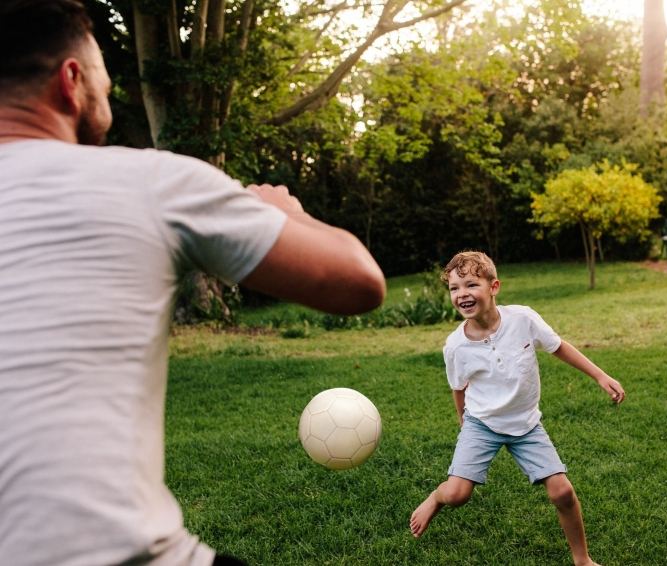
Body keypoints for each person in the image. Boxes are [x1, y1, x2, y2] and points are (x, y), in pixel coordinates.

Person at [0, 1, 385, 565]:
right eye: (105, 83)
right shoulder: (148, 181)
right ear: (72, 80)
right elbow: (357, 282)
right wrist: (286, 211)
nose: (107, 98)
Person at [409, 251, 625, 566]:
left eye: (471, 284)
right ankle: (436, 497)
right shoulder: (455, 346)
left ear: (494, 286)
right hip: (482, 423)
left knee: (562, 492)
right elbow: (459, 390)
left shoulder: (523, 319)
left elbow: (558, 346)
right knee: (457, 495)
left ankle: (583, 560)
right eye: (455, 288)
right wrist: (463, 426)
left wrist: (600, 375)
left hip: (526, 425)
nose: (462, 294)